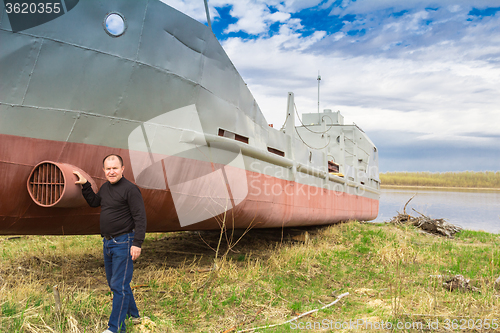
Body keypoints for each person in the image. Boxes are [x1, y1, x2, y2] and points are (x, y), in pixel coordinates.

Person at [73, 154, 147, 333]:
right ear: (104, 171)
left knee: (118, 286)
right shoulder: (106, 188)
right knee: (118, 283)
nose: (111, 172)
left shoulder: (130, 189)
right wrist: (85, 185)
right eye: (108, 169)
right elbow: (94, 202)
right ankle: (134, 316)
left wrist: (137, 243)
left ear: (122, 169)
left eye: (115, 168)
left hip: (124, 242)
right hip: (108, 243)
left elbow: (140, 217)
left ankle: (115, 328)